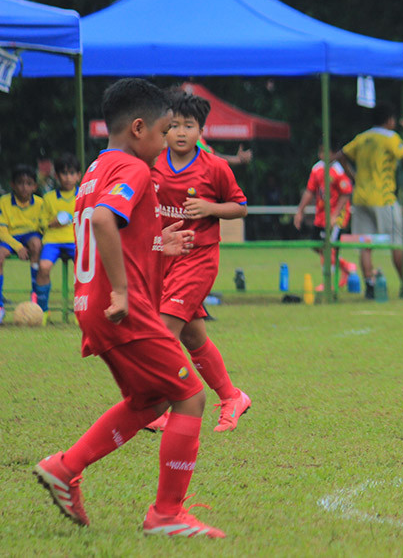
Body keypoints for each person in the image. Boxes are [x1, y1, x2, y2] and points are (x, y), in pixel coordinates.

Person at [32, 78, 225, 537]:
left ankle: (65, 467)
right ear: (139, 128)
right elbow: (103, 221)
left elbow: (115, 230)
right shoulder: (136, 169)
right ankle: (167, 514)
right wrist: (121, 291)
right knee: (190, 397)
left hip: (91, 304)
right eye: (163, 131)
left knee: (150, 399)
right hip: (123, 307)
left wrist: (162, 242)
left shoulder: (98, 168)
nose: (165, 143)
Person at [144, 87, 252, 434]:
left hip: (198, 260)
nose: (180, 133)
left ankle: (162, 406)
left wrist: (210, 208)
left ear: (201, 131)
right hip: (163, 259)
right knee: (192, 338)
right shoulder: (153, 163)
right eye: (173, 126)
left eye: (188, 126)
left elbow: (240, 206)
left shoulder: (215, 167)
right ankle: (232, 397)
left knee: (162, 333)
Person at [333, 103, 403, 299]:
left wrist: (353, 176)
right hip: (383, 199)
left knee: (365, 244)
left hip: (360, 197)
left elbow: (341, 155)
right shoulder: (390, 138)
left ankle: (369, 285)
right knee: (396, 242)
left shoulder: (362, 137)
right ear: (390, 120)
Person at [293, 147, 358, 289]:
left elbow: (346, 193)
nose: (323, 154)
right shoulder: (317, 169)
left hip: (337, 217)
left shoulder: (339, 171)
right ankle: (345, 266)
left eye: (327, 151)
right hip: (321, 216)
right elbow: (310, 190)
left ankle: (328, 284)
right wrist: (300, 211)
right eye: (321, 151)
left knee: (328, 248)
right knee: (316, 245)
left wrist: (334, 216)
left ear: (334, 153)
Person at [36, 154, 82, 320]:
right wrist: (51, 223)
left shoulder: (83, 195)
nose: (68, 178)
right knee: (44, 268)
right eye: (64, 173)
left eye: (72, 173)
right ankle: (42, 311)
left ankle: (82, 311)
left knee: (83, 272)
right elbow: (41, 223)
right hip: (53, 242)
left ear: (78, 175)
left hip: (76, 241)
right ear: (57, 176)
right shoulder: (48, 198)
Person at [0, 164, 46, 325]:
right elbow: (2, 232)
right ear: (12, 184)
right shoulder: (4, 202)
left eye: (28, 183)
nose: (24, 187)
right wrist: (18, 247)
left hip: (30, 235)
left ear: (34, 186)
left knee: (36, 244)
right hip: (10, 237)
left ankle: (34, 294)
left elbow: (43, 227)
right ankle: (0, 305)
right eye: (20, 183)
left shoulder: (40, 203)